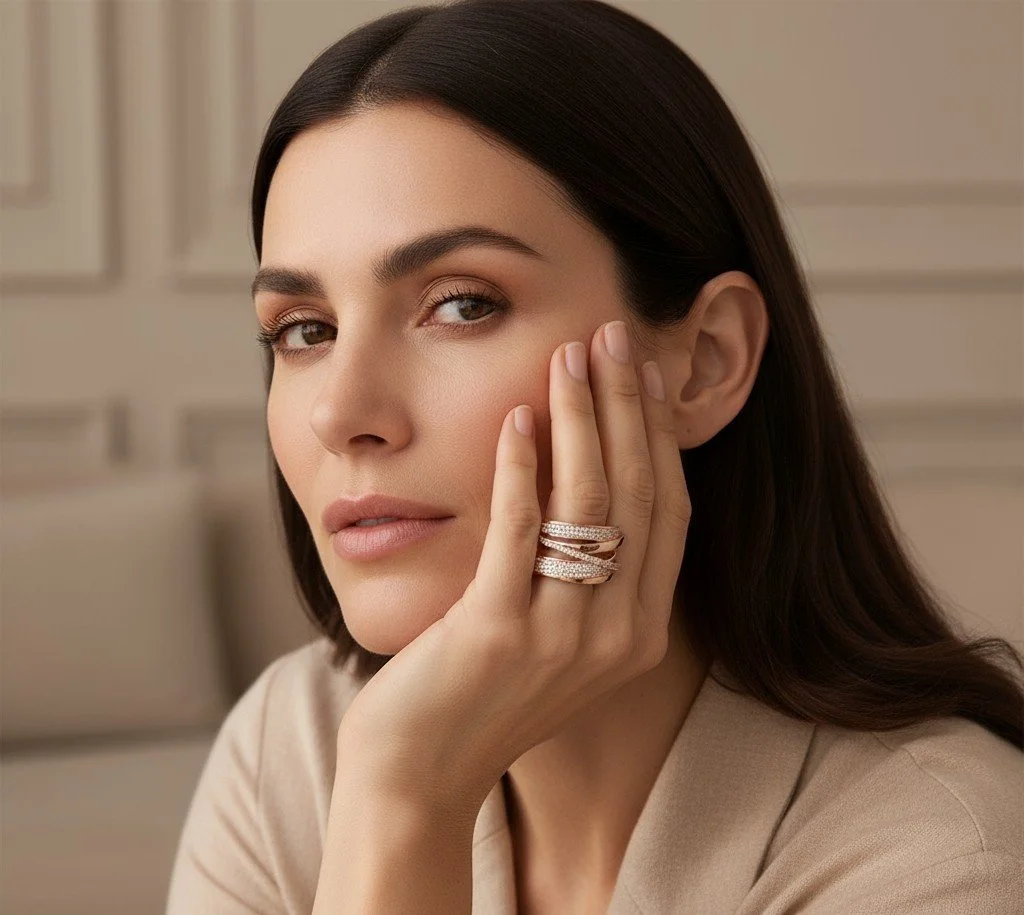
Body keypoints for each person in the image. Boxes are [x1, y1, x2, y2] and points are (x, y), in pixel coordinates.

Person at [165, 1, 1024, 912]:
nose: (340, 412)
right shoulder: (293, 751)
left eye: (463, 304)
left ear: (706, 360)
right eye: (305, 330)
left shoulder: (943, 854)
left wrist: (406, 798)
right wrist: (400, 787)